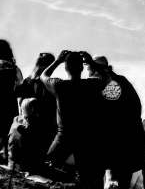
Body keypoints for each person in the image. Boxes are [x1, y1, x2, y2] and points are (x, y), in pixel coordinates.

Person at [41, 49, 106, 189]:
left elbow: (43, 75)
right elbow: (107, 77)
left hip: (63, 137)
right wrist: (91, 62)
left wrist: (57, 60)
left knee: (47, 170)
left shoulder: (59, 85)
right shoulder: (91, 85)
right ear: (82, 68)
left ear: (66, 68)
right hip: (86, 138)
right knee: (88, 179)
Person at [93, 56, 145, 189]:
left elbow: (108, 117)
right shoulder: (121, 82)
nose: (88, 75)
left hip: (120, 151)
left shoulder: (113, 85)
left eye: (89, 70)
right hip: (128, 151)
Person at [9, 98, 48, 175]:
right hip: (25, 167)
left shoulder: (16, 119)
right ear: (33, 110)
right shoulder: (33, 125)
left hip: (11, 163)